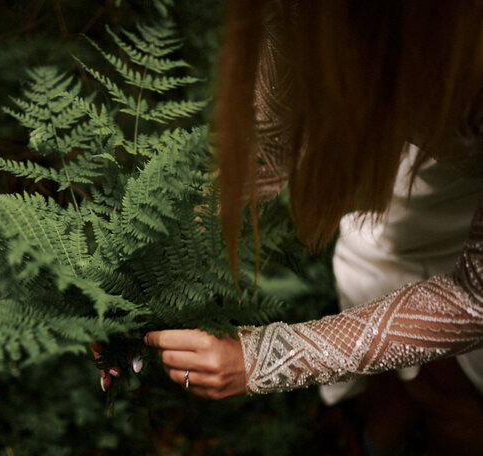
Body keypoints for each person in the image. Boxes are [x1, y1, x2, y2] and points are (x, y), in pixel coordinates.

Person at [97, 1, 483, 454]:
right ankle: (381, 430)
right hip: (443, 167)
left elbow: (474, 298)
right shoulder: (306, 12)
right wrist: (133, 292)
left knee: (454, 391)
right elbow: (267, 152)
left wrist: (265, 359)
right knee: (377, 268)